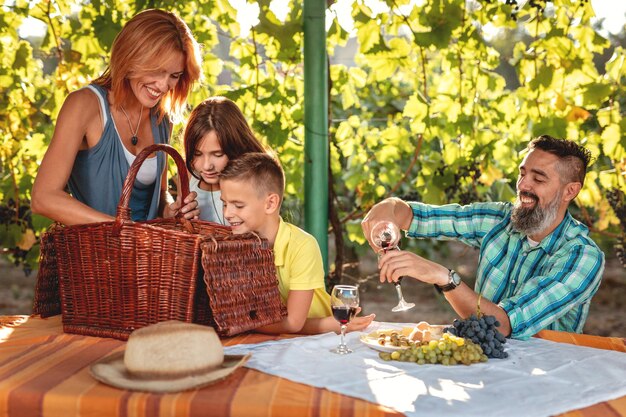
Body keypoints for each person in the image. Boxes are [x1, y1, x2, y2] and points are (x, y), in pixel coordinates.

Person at [362, 135, 605, 340]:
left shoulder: (583, 257)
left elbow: (502, 325)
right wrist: (387, 207)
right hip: (481, 365)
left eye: (538, 179)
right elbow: (418, 216)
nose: (523, 185)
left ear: (570, 191)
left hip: (548, 379)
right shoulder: (499, 219)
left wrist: (444, 278)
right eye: (522, 173)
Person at [31, 9, 202, 225]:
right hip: (92, 253)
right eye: (157, 71)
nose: (163, 86)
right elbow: (43, 197)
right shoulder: (84, 105)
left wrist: (169, 209)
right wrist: (120, 229)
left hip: (147, 256)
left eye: (174, 76)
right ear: (131, 58)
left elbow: (157, 196)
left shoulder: (162, 118)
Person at [220, 152, 375, 334]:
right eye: (224, 204)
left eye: (238, 205)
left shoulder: (302, 246)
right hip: (275, 339)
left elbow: (293, 323)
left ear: (270, 203)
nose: (227, 214)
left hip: (320, 340)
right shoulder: (235, 246)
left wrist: (243, 324)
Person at [183, 97, 266, 224]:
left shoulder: (253, 182)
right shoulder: (188, 174)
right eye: (197, 154)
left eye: (217, 154)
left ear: (237, 146)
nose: (206, 166)